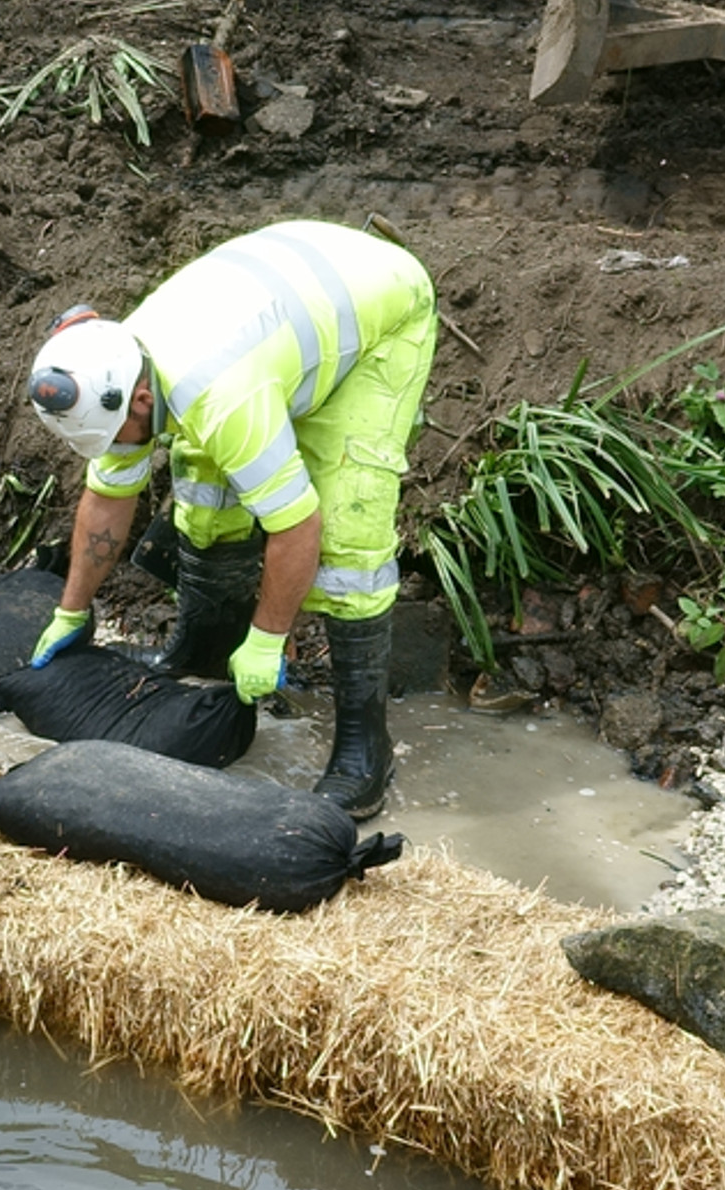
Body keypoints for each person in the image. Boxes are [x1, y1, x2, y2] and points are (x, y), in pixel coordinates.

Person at [22, 220, 437, 820]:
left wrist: (268, 640)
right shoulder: (112, 363)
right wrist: (72, 611)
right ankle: (204, 651)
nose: (120, 448)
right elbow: (110, 494)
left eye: (120, 437)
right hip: (278, 301)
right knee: (206, 498)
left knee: (350, 531)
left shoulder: (223, 401)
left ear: (141, 400)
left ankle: (363, 748)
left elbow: (297, 526)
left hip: (381, 314)